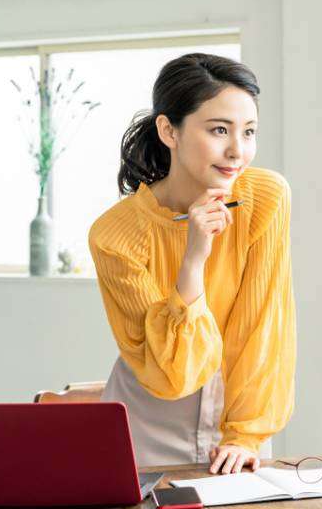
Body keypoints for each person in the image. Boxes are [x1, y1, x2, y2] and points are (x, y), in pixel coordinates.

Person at [88, 53, 296, 475]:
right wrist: (194, 258)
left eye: (249, 131)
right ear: (169, 130)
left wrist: (246, 433)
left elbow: (262, 324)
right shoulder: (114, 236)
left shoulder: (266, 197)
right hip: (148, 420)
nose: (238, 151)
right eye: (219, 130)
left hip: (238, 425)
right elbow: (172, 374)